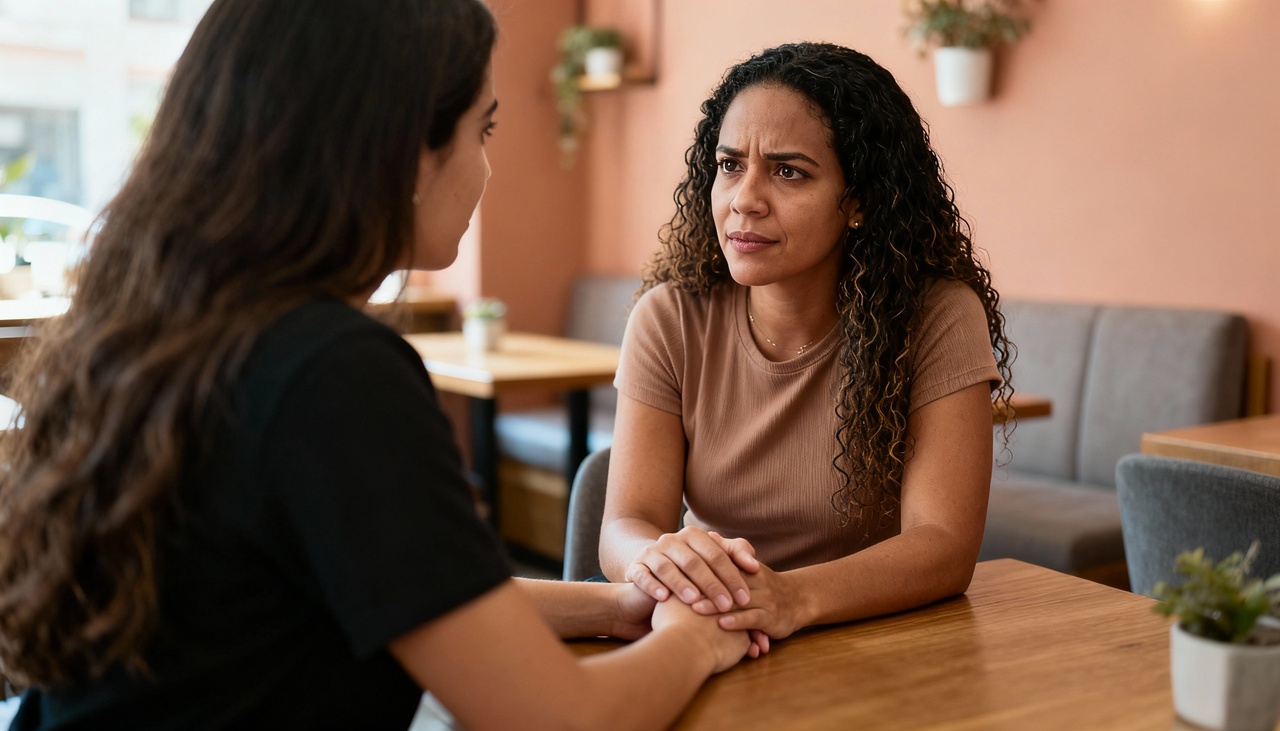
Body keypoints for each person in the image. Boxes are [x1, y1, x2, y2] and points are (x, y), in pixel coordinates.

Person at [0, 1, 749, 729]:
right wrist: (698, 637)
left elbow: (414, 591)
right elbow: (558, 714)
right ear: (404, 150)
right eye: (480, 130)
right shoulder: (332, 373)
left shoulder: (165, 326)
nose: (486, 170)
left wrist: (621, 606)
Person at [599, 42, 1015, 653]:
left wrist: (789, 599)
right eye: (730, 164)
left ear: (859, 201)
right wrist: (665, 561)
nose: (745, 198)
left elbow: (944, 545)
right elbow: (624, 527)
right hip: (710, 629)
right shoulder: (670, 317)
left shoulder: (937, 317)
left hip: (877, 644)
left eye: (789, 171)